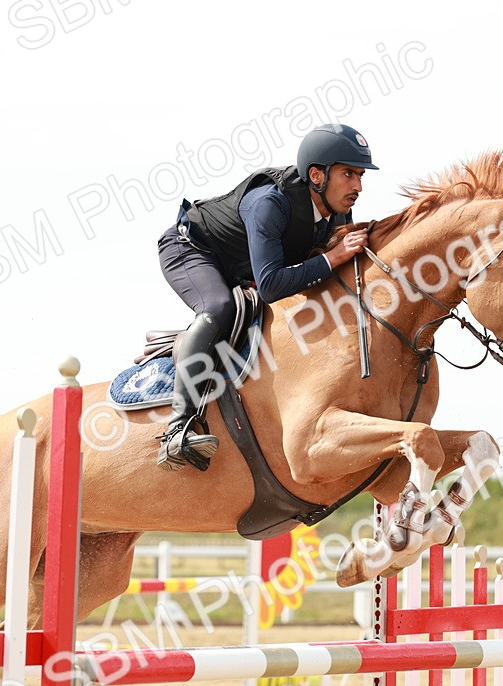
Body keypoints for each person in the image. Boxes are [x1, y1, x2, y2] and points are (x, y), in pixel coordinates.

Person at [155, 123, 378, 471]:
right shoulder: (270, 202)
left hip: (243, 267)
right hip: (191, 249)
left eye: (360, 175)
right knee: (219, 307)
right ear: (316, 175)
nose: (358, 186)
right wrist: (333, 258)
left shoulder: (338, 212)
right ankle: (177, 431)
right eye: (348, 174)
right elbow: (273, 284)